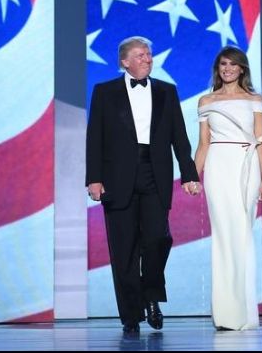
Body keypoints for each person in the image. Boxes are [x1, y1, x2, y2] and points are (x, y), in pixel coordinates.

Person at [86, 36, 201, 334]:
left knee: (157, 239)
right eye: (140, 55)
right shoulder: (104, 92)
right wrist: (93, 178)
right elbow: (94, 137)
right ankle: (130, 314)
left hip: (155, 173)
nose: (147, 59)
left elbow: (180, 137)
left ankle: (151, 296)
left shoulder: (167, 91)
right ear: (124, 61)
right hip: (116, 178)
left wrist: (189, 174)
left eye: (149, 54)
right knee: (123, 250)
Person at [192, 45, 262, 331]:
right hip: (217, 167)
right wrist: (191, 175)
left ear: (242, 69)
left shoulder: (254, 99)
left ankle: (245, 312)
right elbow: (203, 144)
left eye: (233, 65)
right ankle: (226, 313)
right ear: (218, 68)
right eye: (223, 64)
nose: (227, 69)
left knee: (242, 234)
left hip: (246, 167)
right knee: (224, 236)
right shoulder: (205, 101)